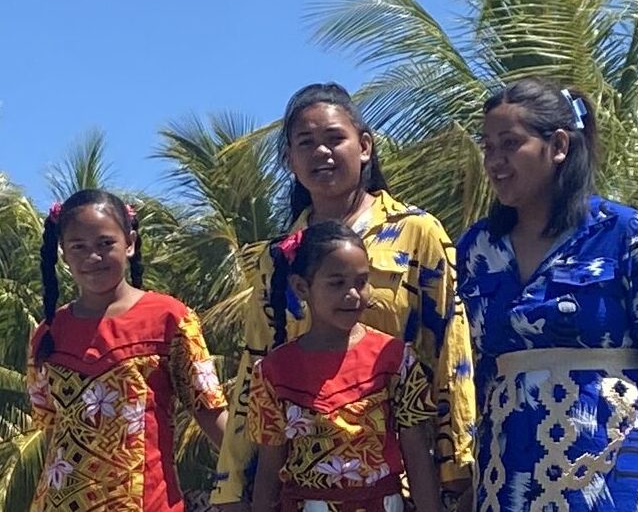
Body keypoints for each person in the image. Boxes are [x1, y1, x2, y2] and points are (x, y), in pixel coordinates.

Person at [212, 83, 475, 510]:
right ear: (289, 160)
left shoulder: (418, 233)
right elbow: (255, 367)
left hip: (402, 484)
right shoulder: (278, 258)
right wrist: (232, 483)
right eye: (306, 143)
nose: (322, 152)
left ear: (365, 146)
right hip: (301, 489)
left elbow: (451, 349)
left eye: (335, 138)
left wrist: (456, 470)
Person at [456, 78, 638, 512]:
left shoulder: (627, 235)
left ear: (558, 145)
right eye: (487, 147)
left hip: (616, 469)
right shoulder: (477, 249)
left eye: (510, 144)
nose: (495, 161)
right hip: (507, 475)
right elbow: (471, 369)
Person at [26, 189, 227, 512]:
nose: (93, 257)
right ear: (63, 253)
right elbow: (52, 429)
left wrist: (261, 475)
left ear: (130, 243)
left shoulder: (169, 318)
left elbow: (208, 409)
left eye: (106, 244)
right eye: (79, 247)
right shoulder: (48, 333)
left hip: (148, 502)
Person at [247, 220, 441, 512]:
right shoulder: (274, 372)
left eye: (361, 281)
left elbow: (417, 456)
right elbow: (269, 470)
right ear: (301, 287)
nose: (353, 294)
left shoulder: (395, 359)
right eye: (337, 283)